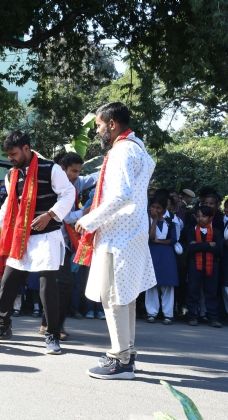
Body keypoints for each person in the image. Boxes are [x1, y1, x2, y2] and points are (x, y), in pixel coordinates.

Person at [74, 102, 156, 380]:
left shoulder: (121, 151)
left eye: (98, 125)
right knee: (125, 296)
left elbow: (120, 195)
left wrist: (89, 220)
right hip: (132, 232)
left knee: (114, 296)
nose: (97, 131)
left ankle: (120, 360)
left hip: (118, 234)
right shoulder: (138, 148)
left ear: (111, 123)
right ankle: (127, 353)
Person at [0, 130, 74, 356]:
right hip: (21, 237)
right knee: (9, 282)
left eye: (13, 154)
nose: (10, 158)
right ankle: (2, 327)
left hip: (48, 237)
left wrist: (50, 214)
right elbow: (9, 204)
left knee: (46, 287)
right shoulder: (11, 175)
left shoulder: (51, 168)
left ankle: (52, 334)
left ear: (26, 148)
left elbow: (68, 194)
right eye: (8, 155)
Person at [41, 151, 99, 336]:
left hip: (64, 244)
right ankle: (54, 327)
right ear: (62, 169)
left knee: (56, 284)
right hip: (51, 240)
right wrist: (87, 211)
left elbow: (93, 178)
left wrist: (111, 164)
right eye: (73, 171)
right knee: (64, 283)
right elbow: (66, 217)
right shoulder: (54, 188)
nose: (76, 175)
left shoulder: (75, 182)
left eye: (78, 172)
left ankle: (47, 324)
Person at [186, 206, 222, 328]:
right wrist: (208, 245)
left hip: (212, 265)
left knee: (211, 292)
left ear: (210, 218)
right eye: (198, 216)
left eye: (204, 216)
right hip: (194, 264)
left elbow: (219, 249)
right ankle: (192, 315)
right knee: (193, 290)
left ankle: (213, 317)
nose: (200, 219)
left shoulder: (216, 232)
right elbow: (190, 248)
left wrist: (199, 245)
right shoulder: (192, 231)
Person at [145, 197, 178, 325]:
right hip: (152, 253)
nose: (155, 210)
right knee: (152, 284)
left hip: (166, 255)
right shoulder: (147, 221)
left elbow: (173, 239)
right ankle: (151, 313)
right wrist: (154, 220)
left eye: (158, 208)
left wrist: (160, 242)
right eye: (153, 207)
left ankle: (168, 314)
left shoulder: (170, 222)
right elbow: (151, 236)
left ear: (164, 210)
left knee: (167, 285)